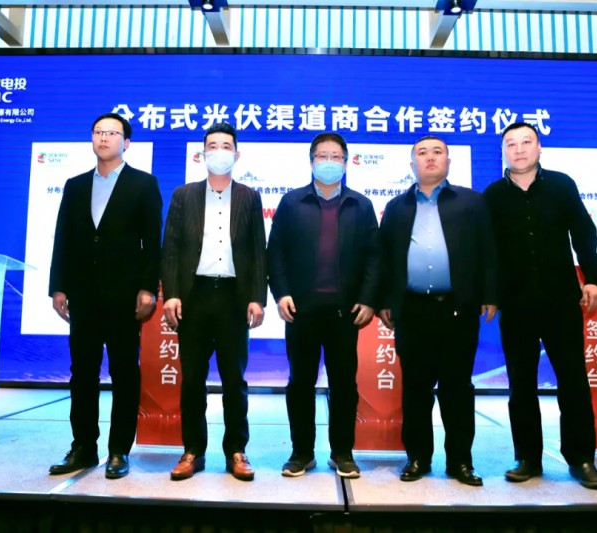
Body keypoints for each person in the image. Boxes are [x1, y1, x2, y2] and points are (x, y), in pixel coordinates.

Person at [483, 122, 597, 490]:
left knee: (573, 380)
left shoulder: (561, 186)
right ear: (503, 151)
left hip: (560, 300)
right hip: (515, 303)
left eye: (526, 142)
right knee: (521, 384)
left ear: (539, 148)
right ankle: (527, 458)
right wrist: (490, 293)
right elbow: (487, 251)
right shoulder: (492, 195)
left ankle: (581, 458)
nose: (519, 149)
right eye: (511, 144)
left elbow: (584, 233)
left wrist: (593, 278)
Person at [48, 112, 163, 480]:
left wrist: (148, 287)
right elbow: (63, 238)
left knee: (124, 373)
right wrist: (58, 286)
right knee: (81, 373)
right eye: (98, 132)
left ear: (126, 142)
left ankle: (118, 450)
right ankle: (83, 446)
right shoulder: (75, 185)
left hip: (124, 295)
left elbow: (152, 243)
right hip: (83, 294)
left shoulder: (144, 184)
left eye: (112, 133)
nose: (103, 138)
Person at [379, 135, 497, 486]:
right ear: (411, 163)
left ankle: (460, 461)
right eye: (422, 153)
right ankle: (417, 457)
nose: (430, 157)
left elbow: (488, 250)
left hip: (458, 310)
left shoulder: (471, 201)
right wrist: (386, 300)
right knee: (415, 389)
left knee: (457, 388)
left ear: (448, 161)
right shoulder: (396, 207)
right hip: (412, 310)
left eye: (437, 152)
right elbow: (385, 258)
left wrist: (489, 294)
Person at [267, 132, 380, 479]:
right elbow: (276, 252)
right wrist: (281, 293)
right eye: (322, 156)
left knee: (344, 384)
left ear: (345, 163)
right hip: (300, 311)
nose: (328, 162)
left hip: (345, 313)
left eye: (335, 156)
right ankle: (301, 452)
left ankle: (342, 453)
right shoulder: (292, 202)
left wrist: (368, 299)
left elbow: (374, 258)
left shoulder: (361, 205)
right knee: (300, 383)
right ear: (311, 161)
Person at [161, 122, 267, 482]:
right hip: (194, 297)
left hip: (234, 299)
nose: (219, 151)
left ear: (237, 154)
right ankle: (193, 450)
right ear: (202, 153)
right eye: (213, 146)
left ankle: (236, 450)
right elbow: (171, 248)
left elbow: (258, 251)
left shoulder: (249, 197)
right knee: (192, 379)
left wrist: (257, 298)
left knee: (234, 380)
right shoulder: (184, 195)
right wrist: (171, 294)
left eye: (226, 146)